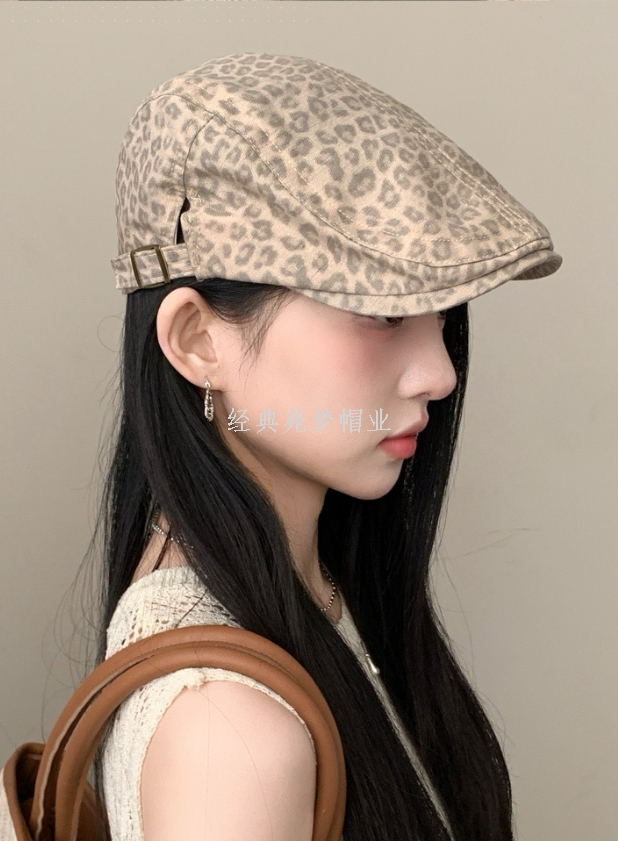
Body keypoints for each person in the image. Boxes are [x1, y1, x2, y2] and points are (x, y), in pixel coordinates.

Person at [90, 52, 562, 841]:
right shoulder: (228, 731)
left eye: (442, 315)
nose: (441, 372)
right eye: (382, 313)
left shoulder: (309, 596)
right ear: (198, 340)